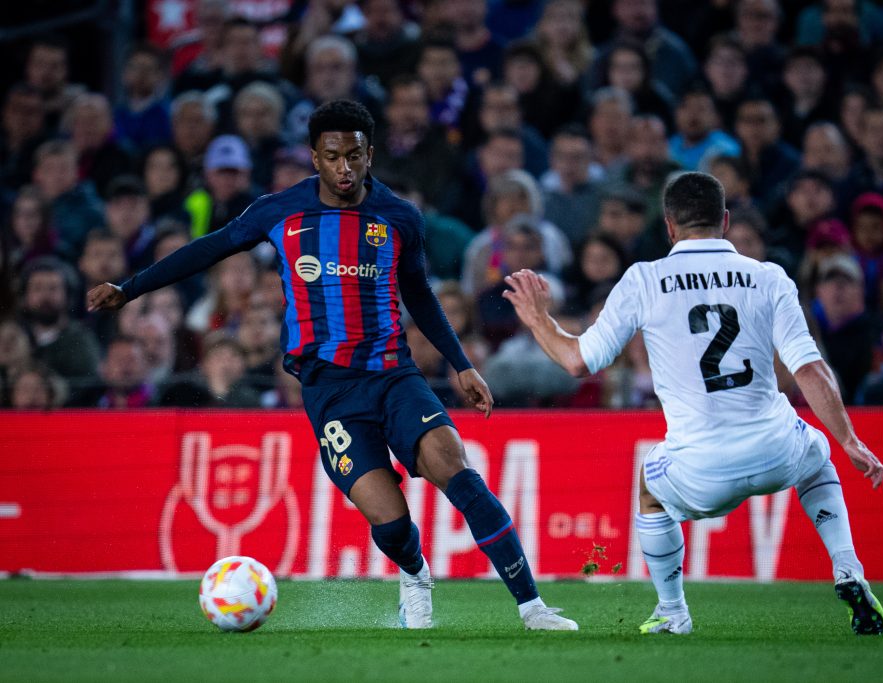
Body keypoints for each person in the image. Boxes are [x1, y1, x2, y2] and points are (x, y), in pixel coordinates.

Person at [87, 99, 576, 632]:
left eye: (355, 156)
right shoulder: (279, 211)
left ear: (370, 156)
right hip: (329, 390)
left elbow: (420, 296)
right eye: (333, 156)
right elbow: (207, 249)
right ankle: (414, 574)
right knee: (387, 518)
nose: (345, 168)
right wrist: (129, 289)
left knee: (457, 471)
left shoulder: (399, 218)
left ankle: (533, 608)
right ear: (315, 158)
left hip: (393, 374)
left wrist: (461, 364)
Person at [502, 172, 883, 636]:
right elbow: (810, 369)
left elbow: (577, 362)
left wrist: (538, 319)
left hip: (701, 468)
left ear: (669, 226)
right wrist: (848, 438)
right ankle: (848, 569)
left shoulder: (644, 279)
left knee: (649, 486)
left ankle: (672, 611)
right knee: (817, 456)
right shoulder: (768, 277)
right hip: (774, 449)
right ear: (725, 221)